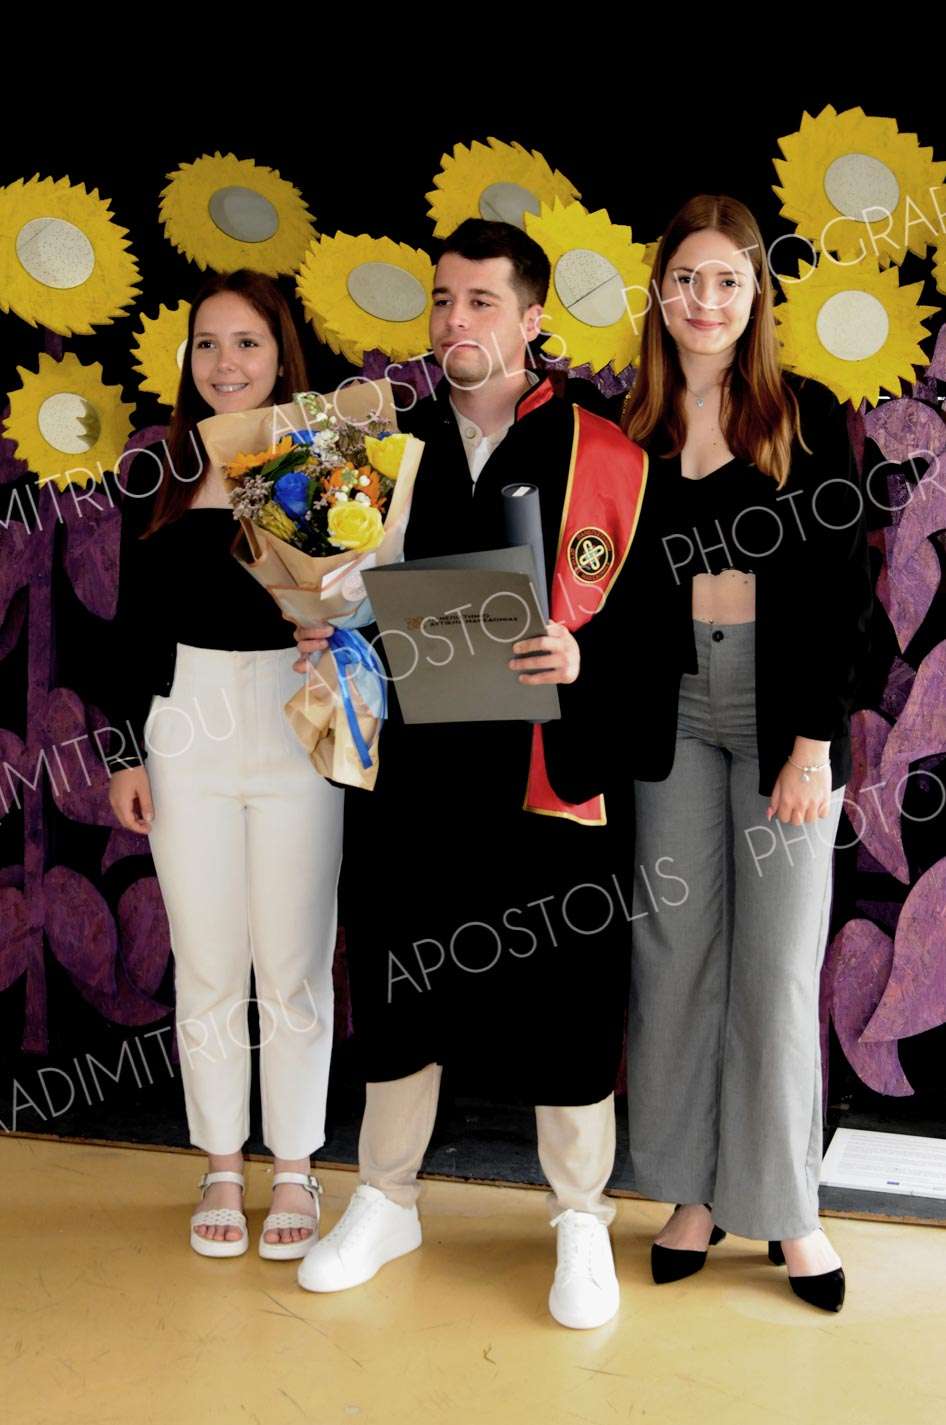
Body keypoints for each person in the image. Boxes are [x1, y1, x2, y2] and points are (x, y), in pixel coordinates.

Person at [292, 218, 652, 1329]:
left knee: (568, 990)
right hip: (415, 766)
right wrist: (322, 624)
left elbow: (655, 637)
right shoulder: (381, 445)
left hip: (550, 765)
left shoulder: (607, 455)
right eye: (442, 299)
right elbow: (343, 596)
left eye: (481, 301)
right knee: (399, 971)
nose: (455, 320)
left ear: (533, 318)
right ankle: (387, 1196)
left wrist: (586, 658)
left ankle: (580, 1215)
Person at [621, 194, 872, 1312]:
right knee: (674, 958)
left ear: (756, 295)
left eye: (727, 280)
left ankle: (788, 1209)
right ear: (659, 291)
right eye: (686, 278)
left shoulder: (803, 415)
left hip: (782, 714)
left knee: (773, 970)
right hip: (672, 710)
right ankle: (691, 1193)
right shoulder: (629, 426)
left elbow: (845, 594)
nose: (705, 300)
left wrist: (814, 743)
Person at [107, 270, 343, 1259]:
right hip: (184, 724)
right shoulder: (156, 469)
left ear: (282, 356)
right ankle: (218, 1159)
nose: (225, 362)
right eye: (207, 343)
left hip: (296, 717)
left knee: (293, 962)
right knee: (207, 960)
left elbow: (360, 602)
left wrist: (337, 630)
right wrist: (126, 751)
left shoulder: (318, 462)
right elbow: (129, 625)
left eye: (247, 343)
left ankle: (294, 1168)